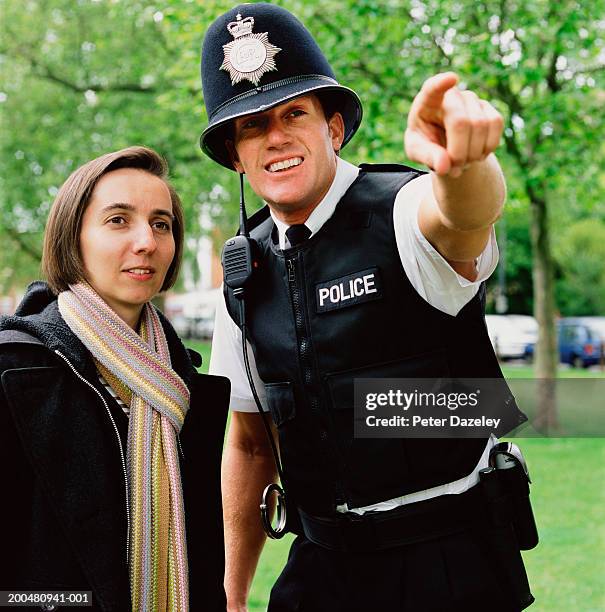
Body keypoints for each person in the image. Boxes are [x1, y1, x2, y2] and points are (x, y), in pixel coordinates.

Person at [200, 4, 534, 611]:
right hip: (325, 567)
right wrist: (231, 593)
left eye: (293, 113)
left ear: (333, 127)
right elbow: (249, 444)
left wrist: (464, 166)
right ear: (235, 156)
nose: (274, 137)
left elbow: (463, 217)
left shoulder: (401, 210)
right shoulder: (243, 275)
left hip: (449, 560)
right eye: (251, 126)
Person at [0, 146, 229, 611]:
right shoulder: (16, 373)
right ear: (73, 237)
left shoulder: (179, 384)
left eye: (161, 224)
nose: (146, 241)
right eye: (118, 220)